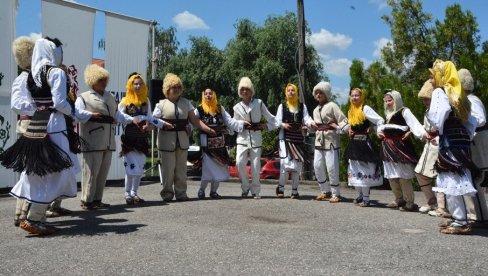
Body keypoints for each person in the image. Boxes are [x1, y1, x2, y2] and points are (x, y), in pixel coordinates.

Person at [1, 38, 78, 235]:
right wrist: (73, 113)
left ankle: (35, 217)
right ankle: (34, 217)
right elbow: (61, 103)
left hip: (36, 125)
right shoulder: (56, 72)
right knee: (58, 170)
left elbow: (17, 105)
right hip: (54, 124)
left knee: (37, 170)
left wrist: (37, 107)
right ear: (53, 52)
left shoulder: (27, 76)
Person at [428, 60, 478, 235]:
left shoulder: (440, 92)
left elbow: (437, 117)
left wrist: (435, 129)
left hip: (449, 141)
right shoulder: (459, 94)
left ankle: (460, 221)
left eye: (432, 76)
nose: (431, 80)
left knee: (451, 177)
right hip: (462, 141)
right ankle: (460, 217)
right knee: (457, 177)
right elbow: (472, 121)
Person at [75, 64, 135, 210]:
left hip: (108, 141)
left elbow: (117, 114)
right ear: (92, 80)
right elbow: (77, 114)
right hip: (91, 140)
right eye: (100, 79)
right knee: (90, 172)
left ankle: (97, 199)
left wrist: (132, 120)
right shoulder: (83, 97)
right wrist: (91, 115)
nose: (103, 82)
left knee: (102, 172)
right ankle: (86, 200)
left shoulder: (110, 97)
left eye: (105, 79)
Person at [152, 73, 216, 202]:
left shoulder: (186, 103)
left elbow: (195, 121)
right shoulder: (160, 104)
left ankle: (181, 193)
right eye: (172, 87)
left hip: (182, 140)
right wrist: (156, 125)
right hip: (166, 141)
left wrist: (207, 129)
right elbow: (153, 121)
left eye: (177, 87)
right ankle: (167, 194)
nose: (175, 89)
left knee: (181, 169)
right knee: (168, 169)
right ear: (167, 89)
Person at [378, 90, 427, 212]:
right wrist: (379, 132)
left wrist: (424, 136)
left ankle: (410, 202)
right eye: (386, 101)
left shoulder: (405, 111)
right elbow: (381, 126)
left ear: (397, 100)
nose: (388, 103)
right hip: (387, 147)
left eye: (390, 100)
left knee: (404, 176)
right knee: (392, 176)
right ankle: (399, 199)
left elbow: (415, 124)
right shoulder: (387, 114)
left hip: (401, 146)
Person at [194, 88, 246, 199]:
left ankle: (213, 191)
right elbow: (192, 122)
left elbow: (230, 121)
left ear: (214, 95)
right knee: (207, 169)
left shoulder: (219, 108)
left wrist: (241, 124)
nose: (208, 95)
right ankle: (201, 190)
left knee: (219, 167)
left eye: (210, 93)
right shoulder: (198, 109)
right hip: (206, 144)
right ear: (203, 95)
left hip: (219, 144)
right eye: (206, 94)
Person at [232, 77, 276, 199]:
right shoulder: (236, 107)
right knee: (239, 162)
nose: (245, 92)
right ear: (240, 91)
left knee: (256, 165)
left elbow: (271, 118)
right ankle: (245, 187)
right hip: (242, 138)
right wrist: (241, 124)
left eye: (247, 89)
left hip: (256, 137)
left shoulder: (259, 103)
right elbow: (234, 124)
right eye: (242, 89)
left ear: (251, 90)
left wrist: (266, 126)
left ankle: (255, 190)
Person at [9, 36, 35, 227]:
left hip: (38, 126)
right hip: (29, 126)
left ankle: (29, 211)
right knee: (30, 170)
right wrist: (39, 108)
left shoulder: (35, 78)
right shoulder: (23, 79)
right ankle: (22, 212)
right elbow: (16, 104)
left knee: (35, 170)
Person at [118, 73, 155, 205]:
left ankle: (135, 193)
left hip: (142, 139)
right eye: (135, 84)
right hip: (130, 139)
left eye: (140, 83)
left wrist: (149, 125)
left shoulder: (147, 101)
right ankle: (127, 193)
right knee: (130, 168)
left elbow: (150, 117)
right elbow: (118, 115)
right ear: (131, 85)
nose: (138, 86)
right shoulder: (125, 101)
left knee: (139, 168)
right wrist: (130, 119)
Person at [458, 68, 488, 228]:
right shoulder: (467, 100)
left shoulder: (472, 100)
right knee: (470, 179)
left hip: (476, 143)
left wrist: (465, 122)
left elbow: (480, 119)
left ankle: (481, 217)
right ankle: (474, 214)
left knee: (474, 179)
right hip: (473, 142)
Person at [344, 88, 384, 207]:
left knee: (365, 170)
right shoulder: (351, 110)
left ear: (361, 97)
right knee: (354, 170)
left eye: (357, 95)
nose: (354, 97)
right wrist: (349, 130)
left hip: (364, 143)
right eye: (352, 95)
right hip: (354, 144)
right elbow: (350, 125)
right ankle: (361, 195)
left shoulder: (365, 108)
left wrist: (378, 130)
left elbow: (379, 120)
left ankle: (366, 199)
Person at [275, 83, 315, 199]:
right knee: (284, 165)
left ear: (296, 92)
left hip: (298, 140)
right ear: (286, 93)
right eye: (289, 91)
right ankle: (281, 188)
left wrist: (310, 124)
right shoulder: (282, 106)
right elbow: (277, 121)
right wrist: (283, 125)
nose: (291, 92)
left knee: (297, 166)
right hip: (285, 139)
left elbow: (307, 119)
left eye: (293, 90)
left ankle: (294, 190)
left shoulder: (302, 107)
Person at [311, 81, 348, 203]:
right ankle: (324, 191)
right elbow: (315, 125)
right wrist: (311, 127)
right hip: (319, 141)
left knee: (332, 167)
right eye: (316, 92)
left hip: (331, 140)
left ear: (326, 93)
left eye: (321, 92)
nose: (318, 94)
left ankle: (335, 193)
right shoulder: (315, 110)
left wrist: (336, 127)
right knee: (317, 166)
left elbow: (344, 121)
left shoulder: (332, 105)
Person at [414, 80, 444, 214]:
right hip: (429, 145)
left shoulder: (441, 110)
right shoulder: (427, 111)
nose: (425, 101)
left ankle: (442, 206)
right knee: (419, 172)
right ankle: (431, 200)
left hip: (439, 145)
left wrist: (436, 137)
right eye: (424, 99)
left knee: (440, 175)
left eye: (428, 99)